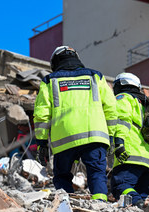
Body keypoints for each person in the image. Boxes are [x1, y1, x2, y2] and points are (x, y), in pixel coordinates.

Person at [33, 46, 117, 201]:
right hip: (95, 137)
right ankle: (100, 204)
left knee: (62, 175)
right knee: (96, 173)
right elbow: (111, 107)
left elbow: (41, 115)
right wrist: (111, 136)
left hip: (64, 140)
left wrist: (41, 142)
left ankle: (66, 204)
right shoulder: (95, 76)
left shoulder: (49, 81)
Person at [110, 73, 149, 208]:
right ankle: (142, 204)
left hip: (131, 154)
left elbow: (123, 120)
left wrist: (119, 143)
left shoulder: (124, 98)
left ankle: (138, 203)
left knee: (120, 185)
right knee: (145, 196)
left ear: (120, 85)